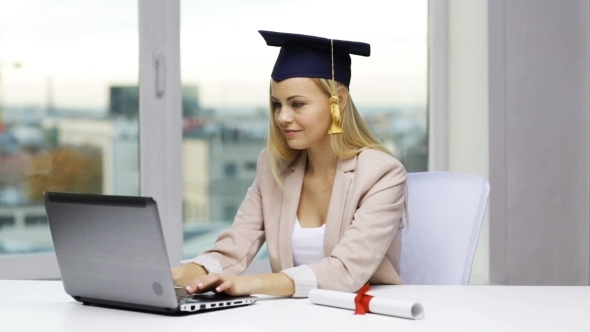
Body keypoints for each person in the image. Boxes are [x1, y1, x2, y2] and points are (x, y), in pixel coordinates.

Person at [172, 30, 407, 298]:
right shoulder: (272, 168)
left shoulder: (381, 173)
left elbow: (346, 271)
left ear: (338, 101)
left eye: (297, 104)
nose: (282, 117)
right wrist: (173, 276)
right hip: (293, 316)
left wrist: (252, 283)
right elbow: (235, 247)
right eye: (277, 104)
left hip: (363, 313)